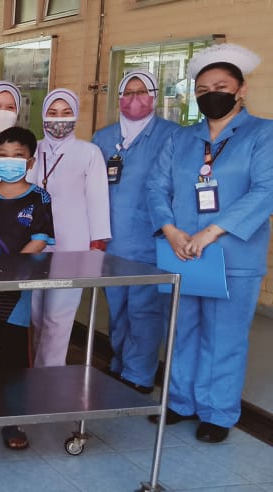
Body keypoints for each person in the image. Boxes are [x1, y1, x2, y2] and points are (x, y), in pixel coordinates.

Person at [146, 43, 273, 443]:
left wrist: (212, 231)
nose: (210, 94)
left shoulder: (263, 133)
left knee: (225, 335)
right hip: (183, 251)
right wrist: (170, 229)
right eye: (202, 89)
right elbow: (156, 186)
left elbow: (265, 190)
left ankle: (218, 411)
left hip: (232, 254)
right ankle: (181, 401)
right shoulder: (182, 139)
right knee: (182, 328)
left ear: (241, 89)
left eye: (220, 86)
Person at [0, 126, 54, 450]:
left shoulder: (39, 197)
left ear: (30, 162)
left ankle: (12, 421)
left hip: (16, 291)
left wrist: (10, 273)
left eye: (18, 156)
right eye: (2, 156)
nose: (9, 161)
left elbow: (41, 240)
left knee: (14, 358)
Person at [93, 70, 179, 393]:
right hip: (111, 241)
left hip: (150, 241)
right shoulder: (103, 138)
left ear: (154, 97)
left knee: (144, 309)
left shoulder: (171, 135)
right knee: (117, 309)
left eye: (142, 91)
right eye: (127, 92)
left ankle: (139, 374)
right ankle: (119, 362)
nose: (134, 97)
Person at [28, 89, 110, 368]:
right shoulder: (32, 150)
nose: (59, 120)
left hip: (72, 246)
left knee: (57, 318)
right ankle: (35, 371)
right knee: (36, 314)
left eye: (66, 113)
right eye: (52, 113)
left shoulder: (89, 152)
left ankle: (48, 379)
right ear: (42, 116)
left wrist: (97, 246)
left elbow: (98, 199)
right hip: (34, 245)